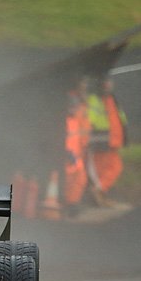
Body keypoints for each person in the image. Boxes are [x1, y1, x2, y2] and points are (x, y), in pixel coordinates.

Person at [86, 77, 127, 206]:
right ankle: (98, 193)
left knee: (109, 169)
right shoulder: (96, 100)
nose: (108, 84)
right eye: (105, 82)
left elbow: (119, 120)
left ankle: (100, 195)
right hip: (100, 143)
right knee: (108, 170)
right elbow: (88, 122)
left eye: (109, 81)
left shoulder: (111, 99)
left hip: (111, 142)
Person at [63, 77, 91, 216]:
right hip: (68, 157)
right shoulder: (65, 121)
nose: (74, 109)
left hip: (76, 156)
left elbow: (79, 136)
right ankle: (69, 204)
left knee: (80, 179)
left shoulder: (74, 120)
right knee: (69, 181)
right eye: (72, 107)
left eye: (75, 107)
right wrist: (68, 153)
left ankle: (72, 203)